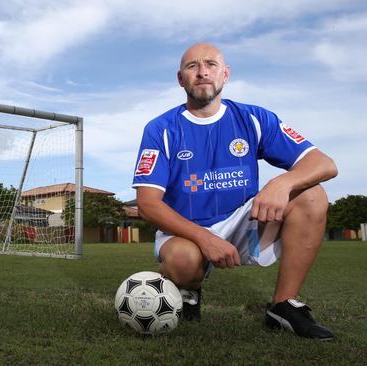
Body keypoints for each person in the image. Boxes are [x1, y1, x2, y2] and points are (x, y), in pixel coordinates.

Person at [132, 43, 337, 340]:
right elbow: (147, 205)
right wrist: (206, 239)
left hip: (245, 225)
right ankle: (189, 290)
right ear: (180, 79)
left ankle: (283, 305)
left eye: (211, 64)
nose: (203, 72)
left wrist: (281, 183)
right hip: (187, 232)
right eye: (192, 66)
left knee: (312, 195)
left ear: (225, 74)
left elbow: (324, 163)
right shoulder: (161, 128)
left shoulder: (253, 118)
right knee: (182, 261)